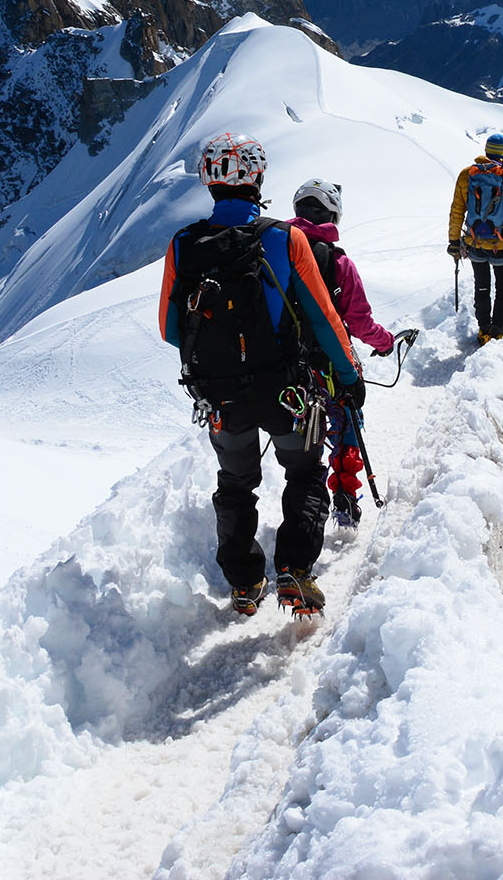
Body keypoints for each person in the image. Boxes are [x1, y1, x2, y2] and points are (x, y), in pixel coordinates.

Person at [159, 133, 365, 617]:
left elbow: (170, 329)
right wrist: (349, 374)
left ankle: (245, 581)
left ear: (210, 181)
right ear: (258, 177)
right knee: (306, 473)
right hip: (286, 391)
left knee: (235, 483)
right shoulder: (283, 238)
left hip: (220, 396)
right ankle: (294, 570)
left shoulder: (184, 245)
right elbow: (323, 319)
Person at [287, 178, 414, 523]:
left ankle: (302, 503)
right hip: (329, 363)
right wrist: (386, 343)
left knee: (296, 436)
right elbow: (358, 321)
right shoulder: (338, 262)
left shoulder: (275, 252)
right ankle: (344, 495)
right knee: (346, 423)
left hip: (283, 365)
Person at [447, 133, 503, 344]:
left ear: (486, 150)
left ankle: (483, 328)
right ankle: (497, 328)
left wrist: (453, 241)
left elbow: (457, 210)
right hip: (502, 242)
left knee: (482, 285)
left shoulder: (466, 174)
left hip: (474, 240)